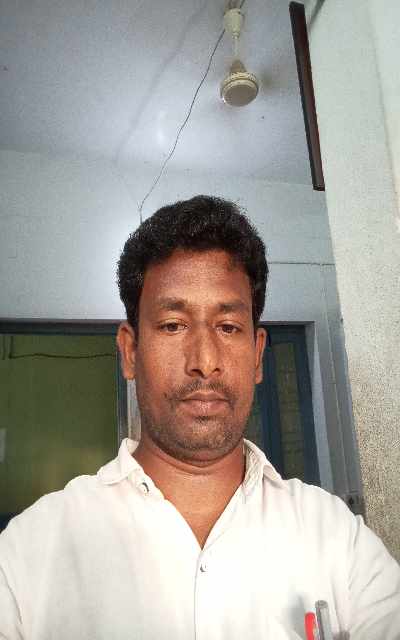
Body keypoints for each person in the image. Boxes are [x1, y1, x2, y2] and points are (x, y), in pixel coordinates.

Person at [0, 195, 399, 640]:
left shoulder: (338, 540)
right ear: (130, 352)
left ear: (258, 355)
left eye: (228, 327)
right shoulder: (29, 555)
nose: (205, 362)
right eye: (173, 325)